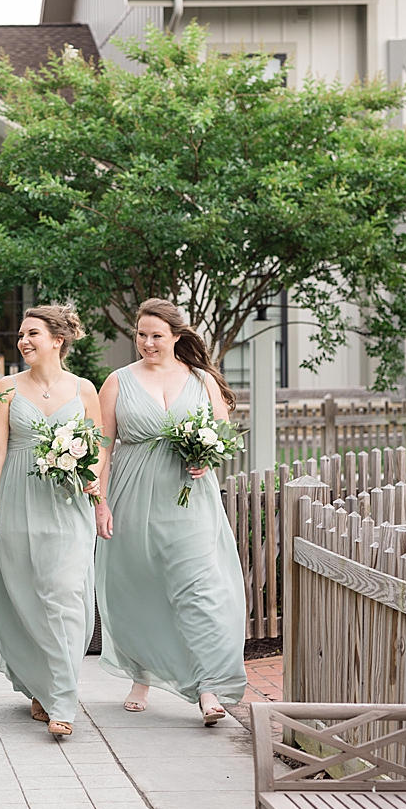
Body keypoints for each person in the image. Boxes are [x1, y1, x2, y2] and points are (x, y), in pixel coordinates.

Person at [93, 299, 247, 725]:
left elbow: (222, 436)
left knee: (199, 589)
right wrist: (100, 502)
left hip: (190, 498)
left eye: (156, 335)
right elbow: (102, 449)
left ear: (177, 337)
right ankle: (141, 674)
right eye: (141, 335)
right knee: (140, 586)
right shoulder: (118, 382)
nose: (147, 342)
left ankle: (208, 688)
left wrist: (208, 458)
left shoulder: (201, 380)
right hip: (133, 496)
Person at [0, 305, 101, 741]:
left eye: (33, 334)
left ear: (58, 339)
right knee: (26, 596)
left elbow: (98, 447)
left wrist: (95, 485)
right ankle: (41, 684)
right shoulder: (7, 388)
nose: (24, 341)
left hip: (67, 504)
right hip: (16, 499)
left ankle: (63, 701)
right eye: (22, 335)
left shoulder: (85, 390)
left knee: (64, 595)